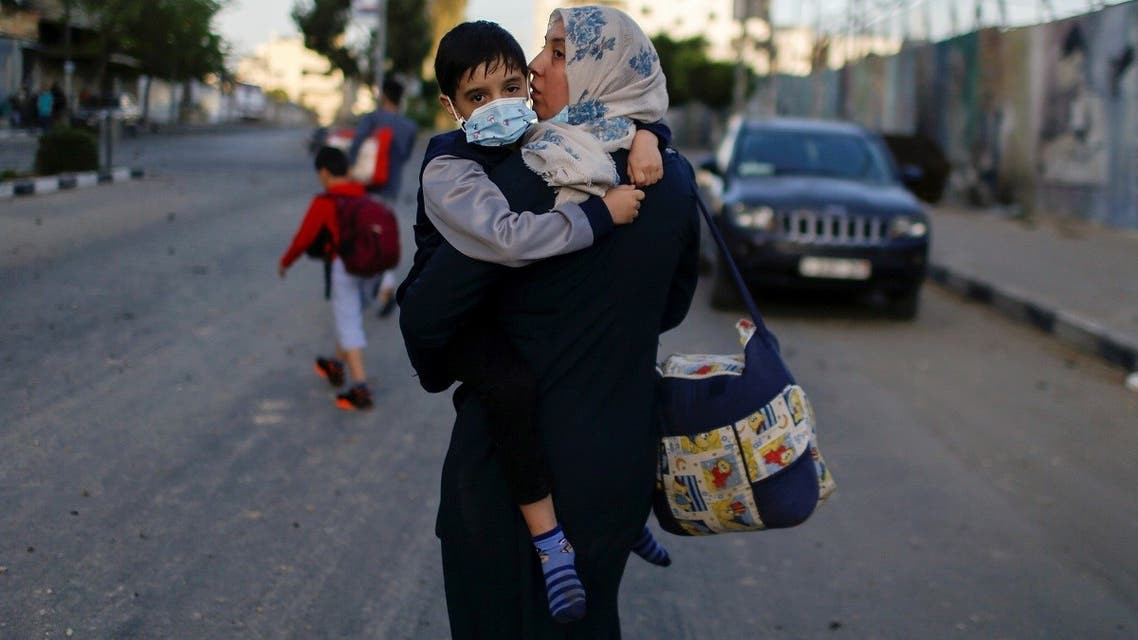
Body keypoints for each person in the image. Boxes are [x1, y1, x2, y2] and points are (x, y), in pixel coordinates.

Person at [399, 6, 700, 638]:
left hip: (513, 483)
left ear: (599, 71)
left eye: (558, 55)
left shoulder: (526, 177)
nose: (535, 68)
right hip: (617, 470)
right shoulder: (671, 178)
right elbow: (669, 307)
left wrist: (449, 363)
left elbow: (427, 315)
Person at [278, 147, 382, 411]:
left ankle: (361, 388)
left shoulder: (325, 202)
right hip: (373, 267)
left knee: (349, 323)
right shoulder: (364, 195)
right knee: (352, 316)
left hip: (345, 267)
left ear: (324, 173)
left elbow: (303, 238)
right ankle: (336, 363)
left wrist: (285, 262)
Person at [347, 78, 419, 317]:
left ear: (384, 96)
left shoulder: (372, 118)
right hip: (391, 187)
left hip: (367, 187)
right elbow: (406, 155)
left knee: (364, 236)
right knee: (381, 234)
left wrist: (349, 170)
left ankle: (368, 291)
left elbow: (356, 146)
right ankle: (386, 287)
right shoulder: (409, 126)